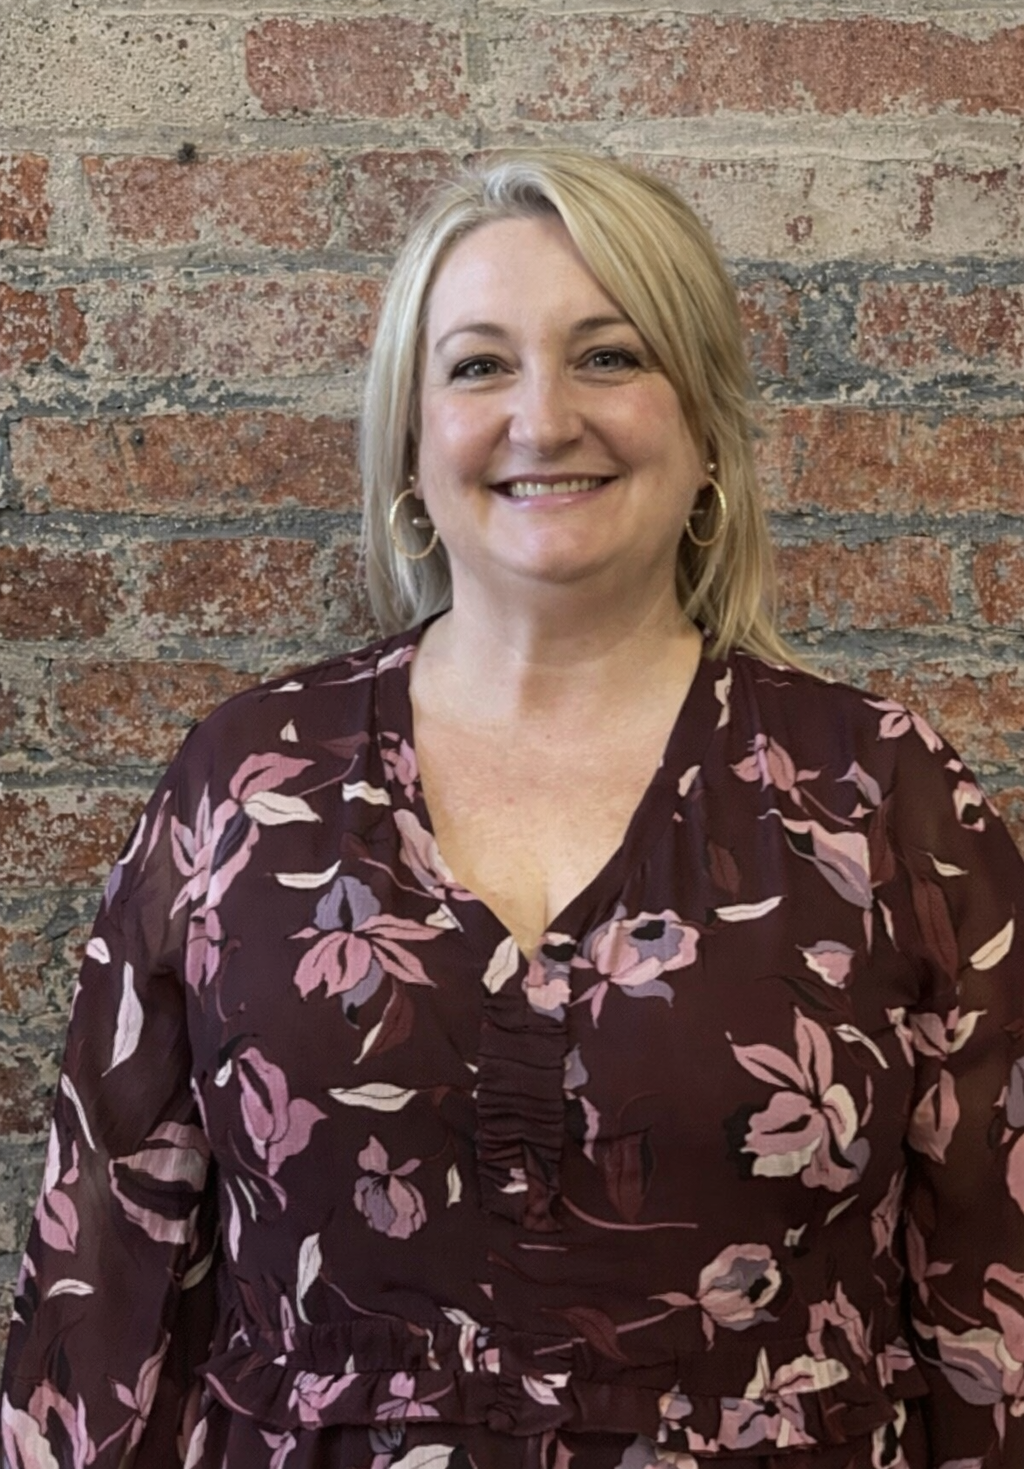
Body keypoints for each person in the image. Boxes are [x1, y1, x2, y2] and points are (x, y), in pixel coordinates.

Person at [2, 148, 1022, 1469]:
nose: (543, 420)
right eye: (480, 366)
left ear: (703, 428)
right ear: (413, 445)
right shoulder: (246, 789)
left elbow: (995, 1288)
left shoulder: (879, 793)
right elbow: (103, 1277)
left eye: (610, 357)